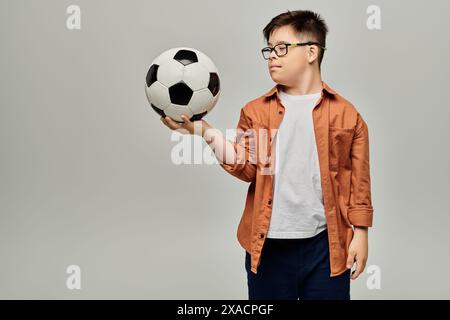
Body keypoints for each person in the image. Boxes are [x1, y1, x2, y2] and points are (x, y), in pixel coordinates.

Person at [161, 9, 374, 300]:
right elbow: (246, 168)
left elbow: (358, 182)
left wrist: (360, 233)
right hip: (267, 248)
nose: (272, 56)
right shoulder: (255, 111)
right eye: (269, 49)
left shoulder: (347, 115)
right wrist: (205, 132)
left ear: (312, 52)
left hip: (326, 247)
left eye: (282, 48)